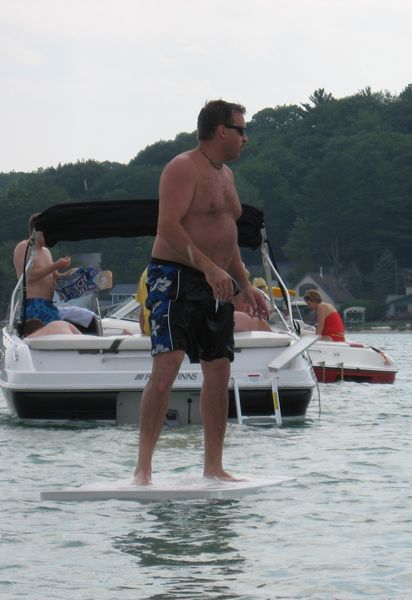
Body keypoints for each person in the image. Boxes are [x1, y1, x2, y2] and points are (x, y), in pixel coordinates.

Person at [133, 99, 268, 486]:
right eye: (241, 130)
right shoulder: (182, 167)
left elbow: (228, 236)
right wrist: (208, 268)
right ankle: (143, 468)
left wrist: (245, 285)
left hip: (217, 281)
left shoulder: (226, 175)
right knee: (167, 368)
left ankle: (214, 466)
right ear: (222, 131)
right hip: (176, 276)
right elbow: (168, 226)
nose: (246, 138)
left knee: (219, 369)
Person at [13, 213, 71, 326]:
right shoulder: (23, 247)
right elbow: (27, 276)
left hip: (49, 304)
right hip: (33, 303)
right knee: (59, 328)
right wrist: (56, 265)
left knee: (64, 327)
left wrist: (71, 274)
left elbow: (55, 277)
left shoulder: (46, 252)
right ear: (37, 231)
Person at [134, 267, 151, 336]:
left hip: (149, 333)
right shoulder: (172, 270)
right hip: (166, 333)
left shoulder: (145, 272)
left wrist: (143, 334)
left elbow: (142, 314)